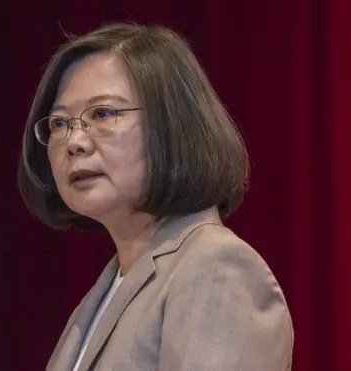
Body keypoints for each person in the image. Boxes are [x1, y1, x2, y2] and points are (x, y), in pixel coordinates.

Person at [17, 22, 294, 371]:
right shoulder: (110, 288)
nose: (74, 141)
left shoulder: (217, 269)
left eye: (102, 113)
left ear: (172, 125)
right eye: (59, 123)